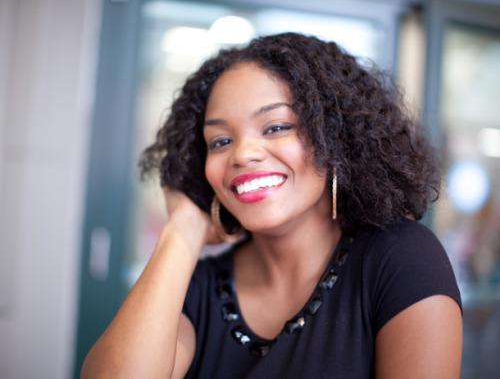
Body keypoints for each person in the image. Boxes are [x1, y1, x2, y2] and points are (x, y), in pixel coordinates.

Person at [81, 33, 462, 378]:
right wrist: (183, 228)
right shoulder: (197, 289)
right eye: (219, 141)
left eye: (276, 127)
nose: (243, 154)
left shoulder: (400, 260)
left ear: (335, 139)